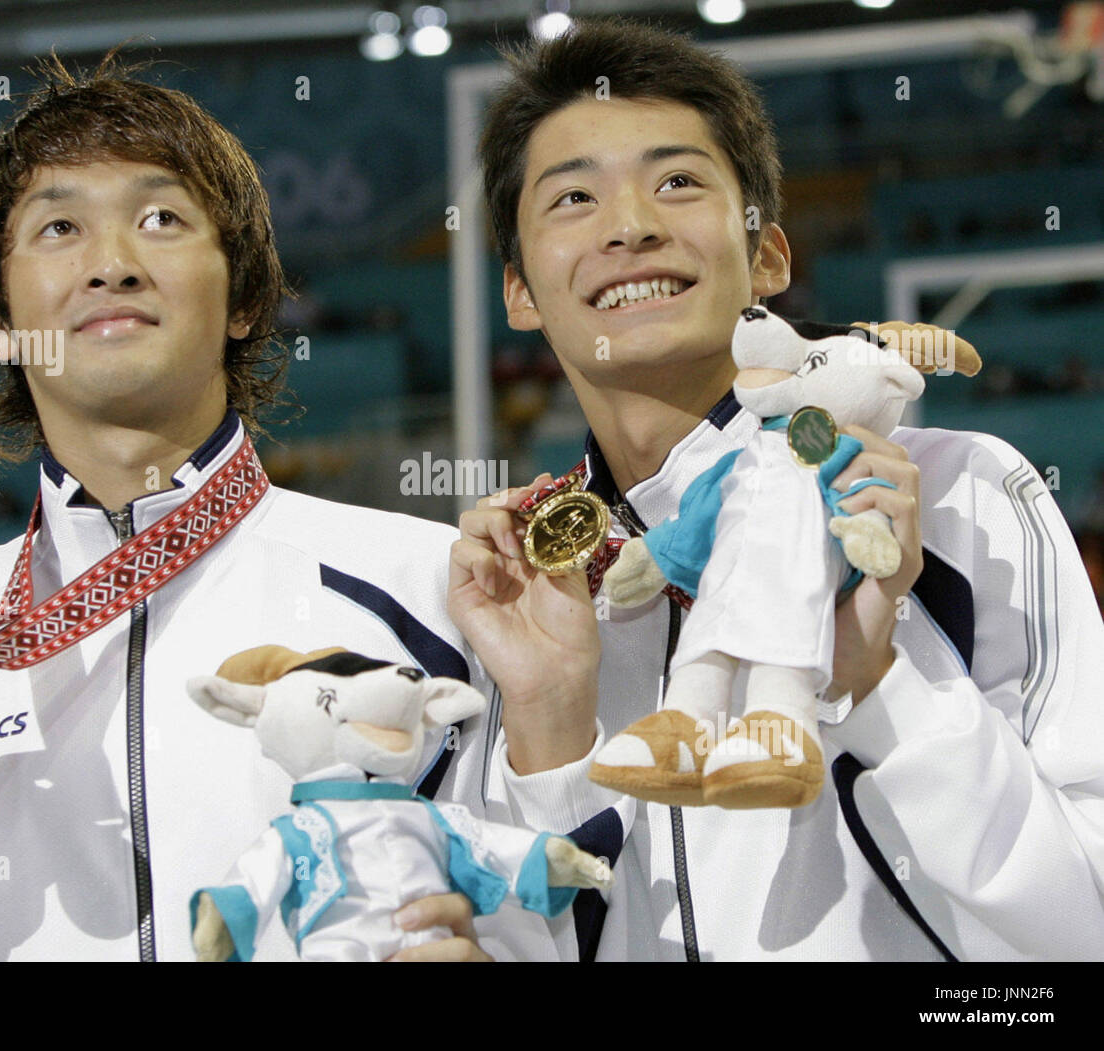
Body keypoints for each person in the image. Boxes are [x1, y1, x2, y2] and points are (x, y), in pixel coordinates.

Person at [0, 51, 549, 962]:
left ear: (244, 298)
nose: (112, 264)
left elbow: (544, 917)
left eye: (161, 219)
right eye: (59, 228)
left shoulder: (430, 588)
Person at [449, 18, 1104, 961]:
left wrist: (880, 682)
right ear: (519, 290)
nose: (630, 226)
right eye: (574, 198)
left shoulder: (960, 496)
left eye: (677, 181)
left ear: (768, 257)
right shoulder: (513, 594)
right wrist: (551, 726)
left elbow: (1082, 925)